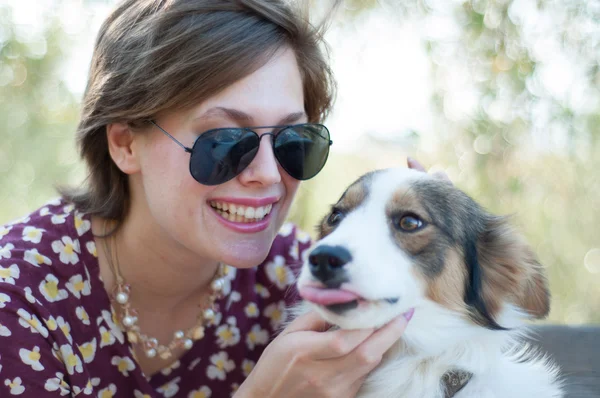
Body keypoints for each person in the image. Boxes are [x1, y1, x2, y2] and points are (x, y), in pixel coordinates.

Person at [0, 1, 421, 396]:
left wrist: (427, 246)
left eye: (294, 141)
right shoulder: (18, 296)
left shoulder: (295, 276)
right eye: (225, 142)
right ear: (126, 143)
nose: (269, 175)